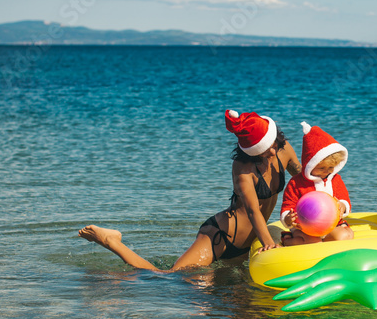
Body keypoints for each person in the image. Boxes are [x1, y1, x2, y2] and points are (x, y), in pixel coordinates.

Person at [78, 110, 300, 272]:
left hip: (247, 243)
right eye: (264, 150)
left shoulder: (283, 148)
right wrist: (269, 244)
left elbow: (302, 178)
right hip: (222, 235)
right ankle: (111, 241)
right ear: (251, 152)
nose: (272, 150)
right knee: (165, 278)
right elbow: (252, 211)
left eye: (273, 143)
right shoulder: (242, 169)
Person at [279, 122, 354, 245]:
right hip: (304, 227)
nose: (326, 172)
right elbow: (288, 205)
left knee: (344, 236)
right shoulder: (296, 183)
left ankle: (326, 244)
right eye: (321, 168)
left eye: (330, 167)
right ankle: (290, 240)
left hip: (331, 225)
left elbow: (344, 198)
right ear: (310, 164)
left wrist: (342, 206)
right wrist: (288, 218)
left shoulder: (335, 179)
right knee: (313, 242)